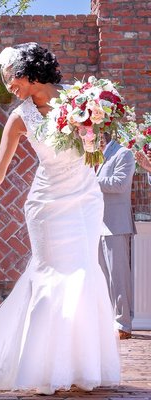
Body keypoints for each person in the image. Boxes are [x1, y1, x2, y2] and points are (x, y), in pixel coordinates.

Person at [0, 43, 120, 395]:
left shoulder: (83, 98)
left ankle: (80, 364)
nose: (9, 88)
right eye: (6, 82)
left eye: (12, 79)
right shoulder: (20, 117)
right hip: (48, 205)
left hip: (85, 200)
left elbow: (97, 150)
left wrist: (94, 139)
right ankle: (39, 366)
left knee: (84, 274)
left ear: (32, 72)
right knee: (52, 278)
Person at [96, 132, 136, 340]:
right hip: (96, 225)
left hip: (116, 225)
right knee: (101, 278)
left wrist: (90, 181)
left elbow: (120, 183)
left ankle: (124, 325)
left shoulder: (124, 154)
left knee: (118, 277)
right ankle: (108, 321)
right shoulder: (95, 156)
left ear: (102, 134)